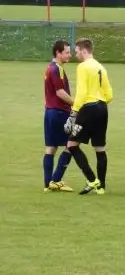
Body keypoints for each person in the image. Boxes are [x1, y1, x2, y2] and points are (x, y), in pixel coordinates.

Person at [63, 38, 113, 195]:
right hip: (102, 107)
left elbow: (82, 92)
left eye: (77, 51)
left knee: (71, 144)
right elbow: (109, 94)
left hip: (88, 108)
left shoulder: (83, 67)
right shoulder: (100, 67)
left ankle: (92, 180)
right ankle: (102, 187)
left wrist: (74, 113)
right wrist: (100, 104)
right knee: (99, 148)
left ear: (84, 51)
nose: (76, 54)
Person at [43, 40, 74, 192]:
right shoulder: (58, 69)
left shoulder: (49, 67)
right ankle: (56, 179)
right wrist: (75, 103)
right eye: (67, 52)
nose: (70, 55)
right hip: (60, 112)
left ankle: (47, 184)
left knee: (51, 147)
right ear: (58, 53)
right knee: (71, 145)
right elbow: (60, 92)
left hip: (49, 112)